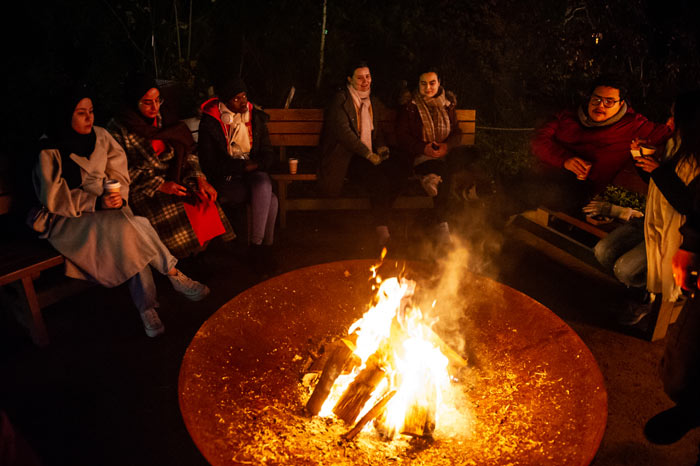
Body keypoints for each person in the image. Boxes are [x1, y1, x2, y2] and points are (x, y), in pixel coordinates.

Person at [34, 86, 210, 337]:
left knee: (129, 231)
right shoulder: (50, 149)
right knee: (133, 227)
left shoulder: (101, 136)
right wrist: (95, 204)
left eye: (92, 112)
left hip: (107, 209)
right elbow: (53, 198)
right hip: (67, 218)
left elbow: (118, 172)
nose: (89, 118)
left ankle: (147, 307)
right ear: (65, 115)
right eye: (81, 113)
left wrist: (116, 196)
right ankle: (172, 274)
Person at [108, 73, 235, 259]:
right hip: (144, 188)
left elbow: (188, 150)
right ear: (134, 101)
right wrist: (160, 185)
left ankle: (209, 254)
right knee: (178, 208)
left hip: (176, 175)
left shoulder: (164, 117)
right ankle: (183, 261)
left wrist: (200, 178)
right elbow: (118, 172)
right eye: (147, 102)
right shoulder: (118, 129)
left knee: (204, 198)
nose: (155, 107)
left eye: (158, 100)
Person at [643, 90, 700, 450]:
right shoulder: (682, 148)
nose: (668, 124)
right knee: (683, 362)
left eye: (674, 118)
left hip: (684, 238)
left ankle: (692, 407)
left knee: (684, 359)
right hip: (687, 241)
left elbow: (686, 198)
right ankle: (691, 403)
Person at [530, 74, 673, 213]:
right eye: (596, 99)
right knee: (518, 186)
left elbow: (671, 132)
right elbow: (538, 141)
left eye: (609, 101)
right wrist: (565, 160)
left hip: (578, 190)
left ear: (621, 103)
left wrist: (676, 120)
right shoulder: (568, 115)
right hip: (545, 176)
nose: (601, 106)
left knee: (533, 193)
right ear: (589, 98)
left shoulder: (633, 126)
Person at [318, 61, 410, 247]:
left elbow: (376, 133)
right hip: (345, 157)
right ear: (349, 79)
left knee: (401, 170)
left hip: (368, 153)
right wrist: (368, 155)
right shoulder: (341, 101)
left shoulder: (371, 101)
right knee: (379, 179)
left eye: (367, 76)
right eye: (359, 77)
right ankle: (382, 230)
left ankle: (380, 214)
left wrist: (382, 147)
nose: (365, 81)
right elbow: (345, 135)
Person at [197, 79, 277, 269]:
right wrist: (241, 167)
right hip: (227, 179)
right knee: (271, 200)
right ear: (224, 102)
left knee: (263, 184)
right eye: (236, 98)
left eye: (244, 96)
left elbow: (268, 151)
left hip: (253, 173)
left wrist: (256, 164)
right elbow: (210, 163)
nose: (243, 102)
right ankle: (265, 250)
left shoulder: (254, 117)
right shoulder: (211, 122)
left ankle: (257, 249)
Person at [396, 67, 463, 245]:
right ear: (418, 85)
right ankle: (442, 224)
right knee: (445, 173)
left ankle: (429, 179)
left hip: (443, 154)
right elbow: (402, 136)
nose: (428, 88)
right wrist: (423, 148)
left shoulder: (447, 104)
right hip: (420, 156)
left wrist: (446, 146)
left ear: (439, 83)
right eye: (423, 84)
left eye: (432, 83)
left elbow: (457, 133)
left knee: (462, 160)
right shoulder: (410, 106)